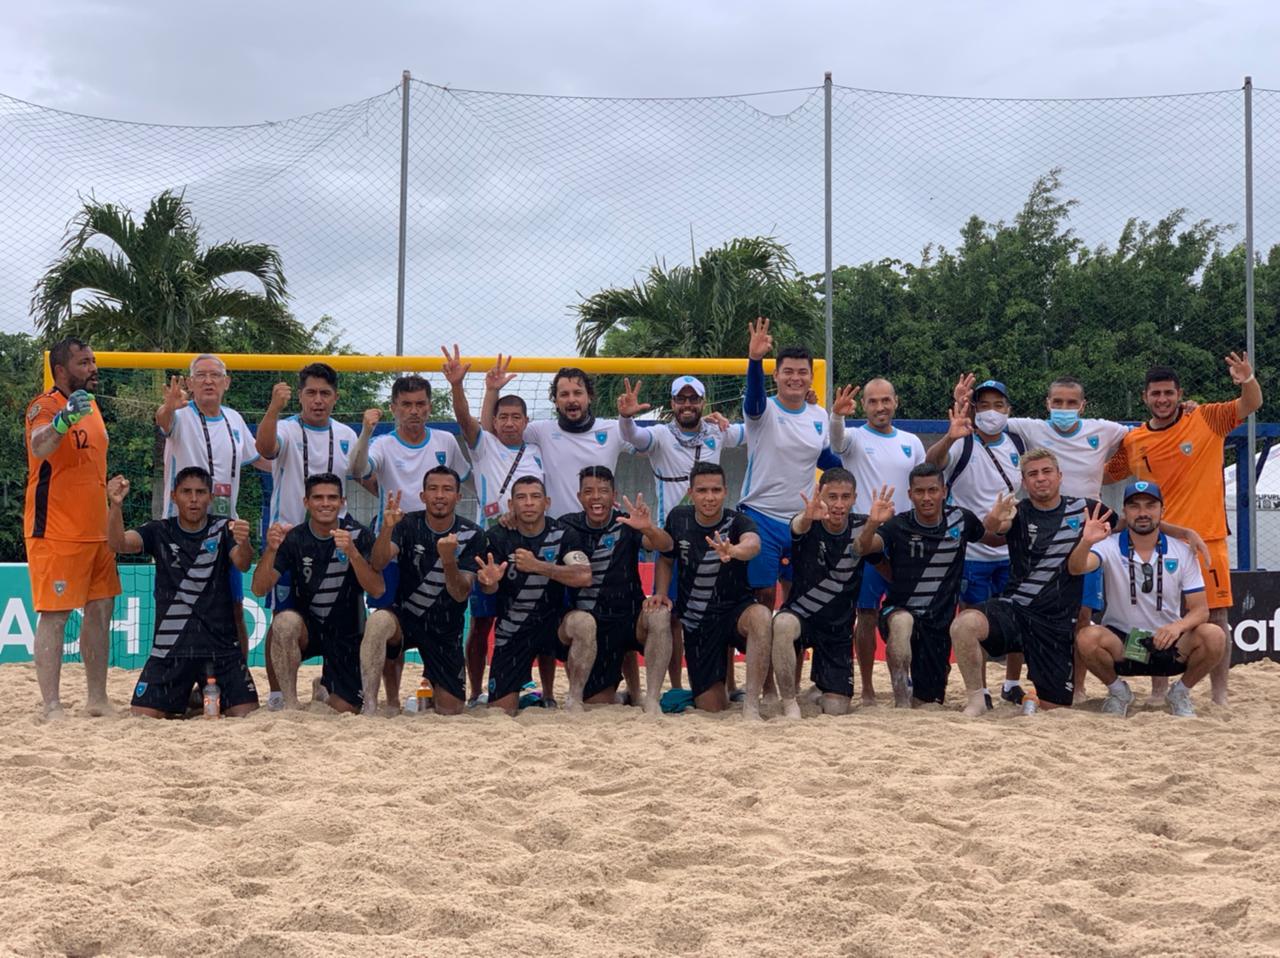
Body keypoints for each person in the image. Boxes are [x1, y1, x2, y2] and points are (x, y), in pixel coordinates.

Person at [1104, 353, 1262, 706]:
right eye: (1155, 394)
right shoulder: (1133, 441)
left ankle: (1219, 695)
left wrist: (1246, 379)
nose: (1162, 400)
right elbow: (1102, 473)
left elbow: (1252, 403)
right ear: (1145, 397)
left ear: (1180, 394)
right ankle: (1159, 691)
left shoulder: (1206, 418)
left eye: (1168, 393)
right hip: (1154, 541)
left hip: (1206, 538)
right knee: (1156, 615)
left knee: (1217, 618)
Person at [949, 449, 1115, 717]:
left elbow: (1133, 525)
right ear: (1024, 482)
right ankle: (977, 699)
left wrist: (1184, 533)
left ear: (1060, 476)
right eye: (1032, 474)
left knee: (1057, 708)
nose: (1041, 479)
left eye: (1047, 471)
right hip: (1016, 611)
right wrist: (994, 517)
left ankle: (1036, 697)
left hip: (1057, 623)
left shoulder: (1086, 510)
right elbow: (994, 527)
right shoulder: (1017, 512)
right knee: (964, 624)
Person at [348, 374, 471, 704]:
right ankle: (390, 700)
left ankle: (434, 687)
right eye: (406, 405)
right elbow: (358, 468)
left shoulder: (445, 441)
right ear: (394, 408)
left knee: (441, 617)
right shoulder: (384, 443)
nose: (413, 411)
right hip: (396, 536)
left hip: (439, 538)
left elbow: (460, 480)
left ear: (430, 407)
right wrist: (367, 430)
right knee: (388, 620)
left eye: (420, 404)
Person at [617, 374, 743, 692]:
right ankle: (675, 687)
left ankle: (727, 683)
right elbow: (633, 437)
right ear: (672, 403)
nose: (687, 404)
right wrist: (626, 417)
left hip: (713, 540)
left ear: (703, 402)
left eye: (693, 398)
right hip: (673, 538)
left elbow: (755, 430)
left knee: (720, 611)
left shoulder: (717, 431)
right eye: (681, 399)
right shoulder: (659, 434)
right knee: (672, 618)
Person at [106, 467, 259, 718]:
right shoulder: (158, 530)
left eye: (200, 492)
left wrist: (245, 542)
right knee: (142, 716)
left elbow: (242, 563)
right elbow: (117, 543)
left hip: (219, 648)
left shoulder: (224, 529)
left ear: (210, 497)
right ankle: (186, 696)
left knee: (247, 715)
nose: (194, 498)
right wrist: (115, 505)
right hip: (170, 649)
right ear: (174, 496)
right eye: (186, 492)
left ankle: (198, 696)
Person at [440, 348, 544, 708]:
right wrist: (461, 386)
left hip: (528, 539)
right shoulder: (484, 446)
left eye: (517, 417)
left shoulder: (535, 453)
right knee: (482, 622)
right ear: (496, 421)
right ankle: (474, 691)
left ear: (526, 421)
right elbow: (466, 420)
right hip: (492, 538)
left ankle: (530, 686)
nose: (510, 423)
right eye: (504, 417)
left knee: (527, 617)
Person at [1068, 484, 1226, 718]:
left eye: (1150, 505)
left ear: (1162, 510)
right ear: (1124, 512)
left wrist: (1177, 627)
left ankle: (1180, 693)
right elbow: (1076, 567)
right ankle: (1119, 691)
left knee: (1214, 635)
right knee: (1086, 637)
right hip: (1125, 644)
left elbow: (1200, 610)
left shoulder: (1181, 551)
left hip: (1168, 643)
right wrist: (1086, 541)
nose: (1143, 513)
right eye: (1135, 506)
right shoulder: (1109, 545)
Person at [254, 361, 360, 710]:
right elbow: (266, 448)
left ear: (336, 397)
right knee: (281, 618)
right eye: (311, 393)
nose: (318, 400)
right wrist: (273, 406)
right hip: (289, 538)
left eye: (325, 394)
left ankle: (330, 683)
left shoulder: (346, 434)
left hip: (334, 541)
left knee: (339, 615)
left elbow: (362, 472)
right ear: (300, 395)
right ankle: (278, 694)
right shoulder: (285, 427)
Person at [24, 338, 118, 718]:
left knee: (100, 611)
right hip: (57, 530)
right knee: (55, 615)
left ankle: (97, 700)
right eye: (84, 362)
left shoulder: (92, 406)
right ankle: (51, 705)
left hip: (96, 531)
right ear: (61, 370)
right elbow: (39, 445)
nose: (93, 367)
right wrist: (62, 421)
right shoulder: (43, 405)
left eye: (94, 360)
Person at [853, 463, 992, 708]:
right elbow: (862, 548)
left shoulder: (962, 520)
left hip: (938, 627)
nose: (926, 497)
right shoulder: (897, 525)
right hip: (898, 612)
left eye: (932, 490)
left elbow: (992, 538)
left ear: (944, 491)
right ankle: (900, 700)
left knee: (928, 704)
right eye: (919, 491)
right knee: (902, 622)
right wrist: (872, 523)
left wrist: (1003, 521)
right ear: (910, 494)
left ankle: (918, 694)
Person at [155, 353, 262, 659]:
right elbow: (163, 421)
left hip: (224, 528)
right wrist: (168, 406)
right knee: (179, 608)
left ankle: (239, 676)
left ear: (226, 382)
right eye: (200, 375)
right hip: (182, 529)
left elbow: (258, 458)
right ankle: (177, 680)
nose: (208, 381)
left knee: (233, 606)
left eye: (215, 375)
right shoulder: (180, 414)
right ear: (190, 382)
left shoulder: (234, 419)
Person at [250, 473, 383, 713]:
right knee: (283, 622)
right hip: (308, 629)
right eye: (318, 498)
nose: (325, 503)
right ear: (306, 502)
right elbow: (259, 588)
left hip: (347, 632)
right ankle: (289, 703)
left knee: (344, 707)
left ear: (342, 502)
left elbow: (377, 589)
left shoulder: (359, 535)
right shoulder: (294, 538)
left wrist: (353, 553)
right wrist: (270, 550)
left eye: (332, 498)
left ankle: (323, 689)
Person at [925, 379, 1024, 701]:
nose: (991, 412)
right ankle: (979, 688)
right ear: (973, 409)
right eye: (983, 405)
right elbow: (931, 464)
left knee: (1017, 614)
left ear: (1008, 410)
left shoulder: (1018, 445)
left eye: (998, 405)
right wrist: (950, 436)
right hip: (971, 552)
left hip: (1010, 549)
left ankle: (1011, 683)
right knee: (972, 618)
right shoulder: (963, 442)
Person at [828, 379, 925, 706]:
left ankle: (905, 684)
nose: (880, 407)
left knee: (908, 616)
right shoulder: (854, 438)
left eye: (885, 400)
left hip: (904, 539)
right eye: (872, 401)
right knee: (866, 614)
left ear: (896, 402)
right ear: (865, 405)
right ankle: (867, 688)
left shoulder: (911, 442)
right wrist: (837, 416)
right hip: (866, 537)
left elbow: (921, 486)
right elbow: (836, 442)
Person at [650, 462, 771, 718]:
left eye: (716, 490)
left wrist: (734, 551)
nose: (709, 497)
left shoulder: (738, 521)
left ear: (726, 491)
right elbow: (666, 558)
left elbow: (754, 544)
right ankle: (711, 690)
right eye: (702, 490)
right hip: (698, 623)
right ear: (691, 492)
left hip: (735, 612)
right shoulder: (678, 517)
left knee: (761, 615)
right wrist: (660, 591)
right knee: (712, 706)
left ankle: (751, 704)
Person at [362, 468, 486, 715]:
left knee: (450, 709)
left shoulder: (472, 534)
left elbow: (461, 593)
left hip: (445, 628)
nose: (440, 495)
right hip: (405, 618)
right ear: (422, 495)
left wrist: (448, 560)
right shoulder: (406, 523)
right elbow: (378, 563)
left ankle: (431, 685)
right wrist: (386, 529)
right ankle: (374, 705)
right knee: (377, 622)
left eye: (447, 489)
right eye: (433, 489)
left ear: (459, 497)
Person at [738, 318, 839, 609]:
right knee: (764, 597)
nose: (796, 378)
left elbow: (825, 459)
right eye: (788, 372)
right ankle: (761, 655)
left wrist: (856, 459)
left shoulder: (818, 414)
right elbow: (754, 399)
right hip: (761, 516)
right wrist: (755, 359)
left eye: (802, 372)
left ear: (810, 376)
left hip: (802, 520)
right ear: (776, 376)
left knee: (797, 599)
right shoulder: (762, 409)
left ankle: (791, 656)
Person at [478, 475, 595, 714]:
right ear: (511, 505)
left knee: (584, 622)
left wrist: (539, 566)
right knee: (501, 711)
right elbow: (489, 588)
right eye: (521, 497)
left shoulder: (564, 533)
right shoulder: (498, 537)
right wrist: (489, 583)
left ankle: (574, 699)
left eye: (535, 497)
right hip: (513, 630)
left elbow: (584, 576)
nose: (529, 503)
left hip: (553, 625)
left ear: (547, 502)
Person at [562, 466, 674, 708]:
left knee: (660, 616)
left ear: (613, 496)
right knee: (600, 703)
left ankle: (651, 700)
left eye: (603, 491)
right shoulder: (566, 526)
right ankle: (623, 695)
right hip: (593, 625)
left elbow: (665, 545)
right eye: (588, 491)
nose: (596, 497)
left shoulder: (627, 522)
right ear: (579, 496)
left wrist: (647, 527)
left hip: (631, 618)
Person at [771, 468, 871, 718]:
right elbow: (798, 526)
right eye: (832, 496)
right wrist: (807, 517)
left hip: (839, 630)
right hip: (801, 618)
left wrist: (877, 523)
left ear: (855, 497)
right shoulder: (807, 519)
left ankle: (818, 689)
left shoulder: (863, 525)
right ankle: (789, 701)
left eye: (845, 497)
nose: (838, 504)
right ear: (820, 495)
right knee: (782, 623)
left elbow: (872, 547)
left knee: (836, 709)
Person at [521, 366, 631, 520]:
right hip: (559, 530)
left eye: (578, 393)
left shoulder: (613, 429)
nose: (571, 399)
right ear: (556, 401)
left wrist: (628, 418)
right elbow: (491, 436)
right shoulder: (541, 431)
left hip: (599, 527)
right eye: (564, 394)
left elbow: (649, 447)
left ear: (589, 397)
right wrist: (492, 390)